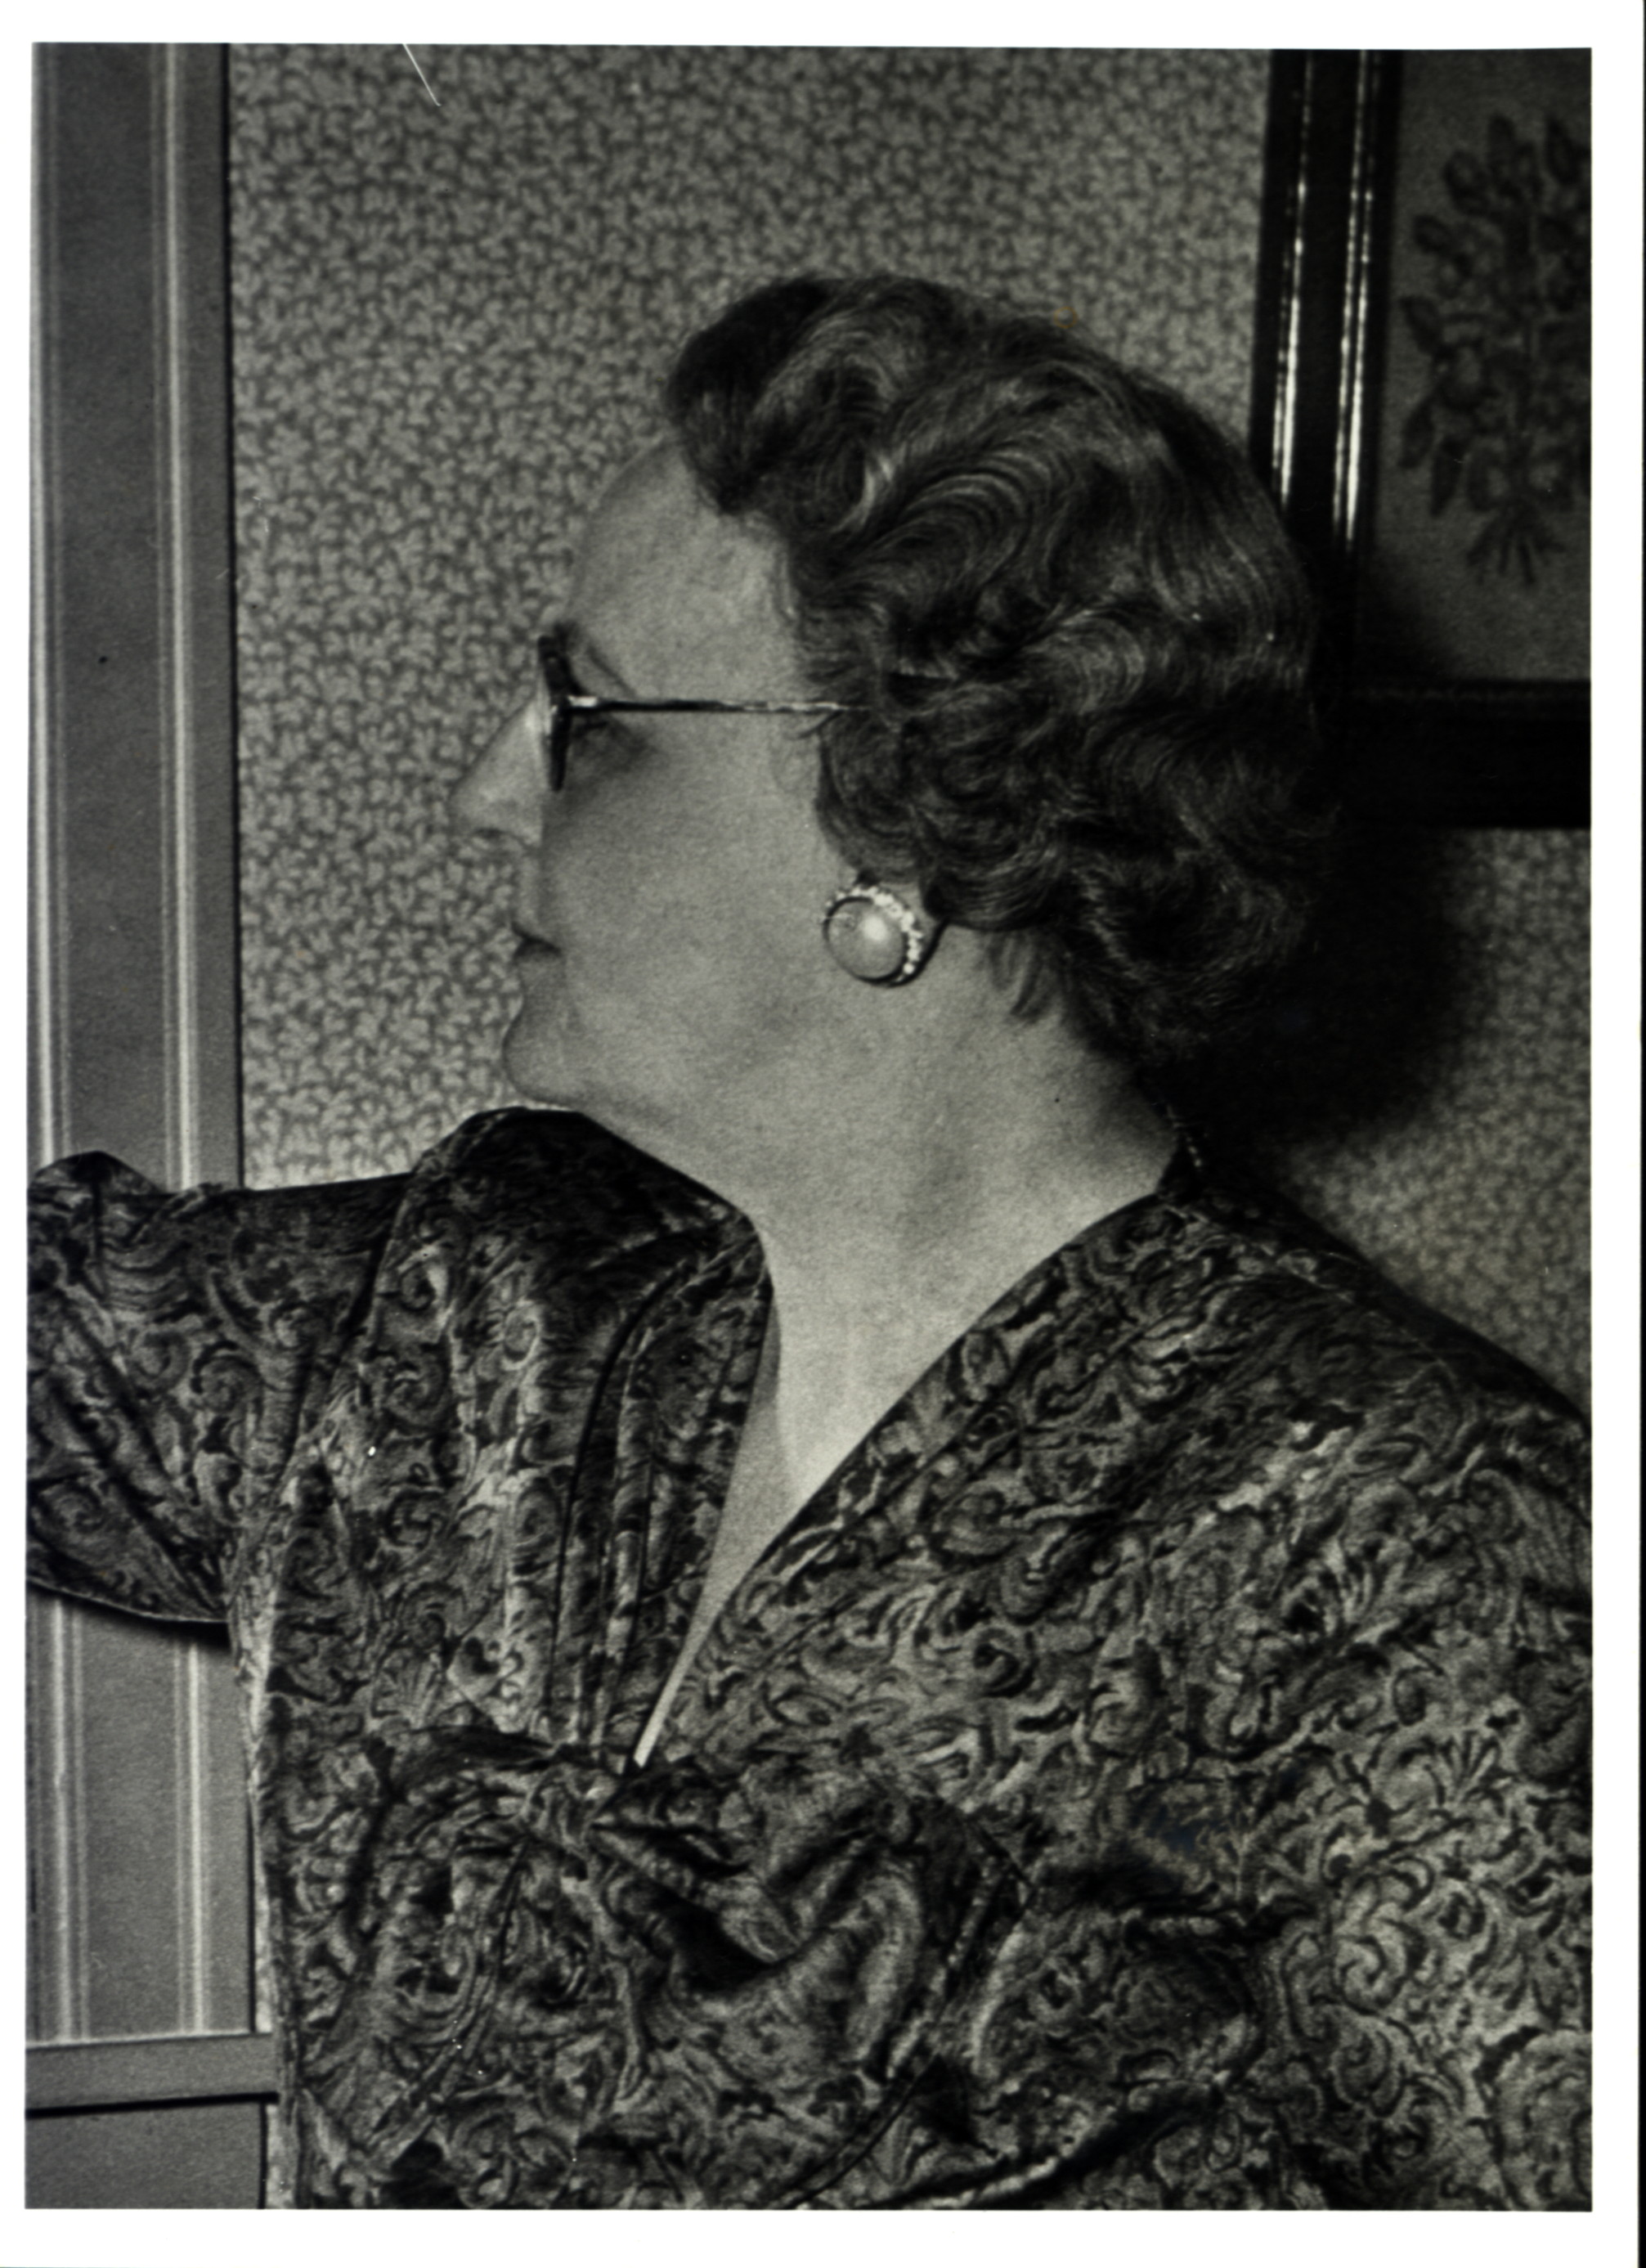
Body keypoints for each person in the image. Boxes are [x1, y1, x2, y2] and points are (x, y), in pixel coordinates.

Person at [28, 275, 1589, 2210]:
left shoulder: (1399, 1537)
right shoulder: (469, 1301)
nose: (487, 789)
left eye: (585, 716)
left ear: (909, 830)